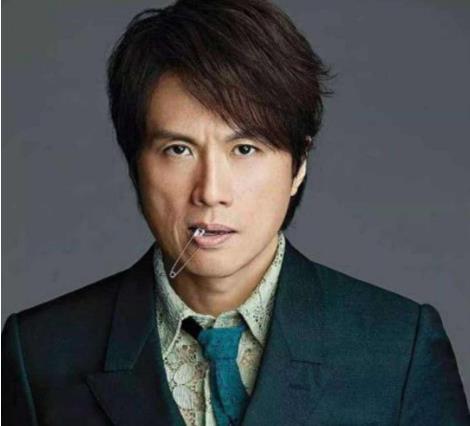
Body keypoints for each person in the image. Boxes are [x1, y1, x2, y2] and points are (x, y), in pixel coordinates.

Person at [2, 0, 469, 425]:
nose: (211, 192)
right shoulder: (40, 353)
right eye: (179, 149)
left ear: (298, 165)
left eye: (245, 149)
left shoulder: (398, 349)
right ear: (135, 164)